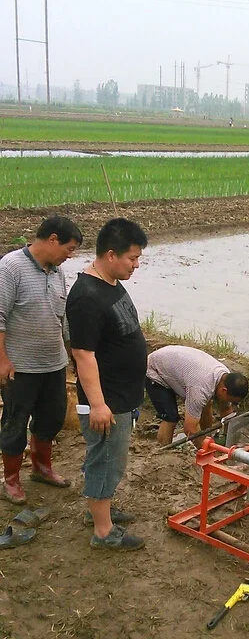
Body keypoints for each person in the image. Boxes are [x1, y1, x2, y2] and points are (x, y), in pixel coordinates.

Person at [67, 218, 148, 551]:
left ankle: (100, 511)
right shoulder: (87, 296)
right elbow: (83, 355)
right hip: (106, 400)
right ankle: (102, 532)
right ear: (111, 254)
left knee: (110, 459)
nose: (136, 264)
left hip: (121, 395)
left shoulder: (109, 283)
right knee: (105, 460)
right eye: (132, 258)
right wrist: (99, 404)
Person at [0, 216, 83, 504]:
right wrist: (2, 360)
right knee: (15, 422)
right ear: (52, 240)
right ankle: (10, 480)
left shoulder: (57, 271)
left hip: (53, 363)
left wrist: (73, 355)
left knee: (51, 418)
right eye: (69, 248)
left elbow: (64, 319)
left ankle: (41, 468)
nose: (69, 255)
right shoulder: (11, 267)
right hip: (20, 367)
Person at [145, 345, 249, 446]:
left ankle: (207, 436)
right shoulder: (200, 389)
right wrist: (206, 451)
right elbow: (189, 429)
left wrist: (228, 439)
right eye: (232, 401)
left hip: (175, 362)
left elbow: (226, 410)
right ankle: (164, 451)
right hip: (155, 369)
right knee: (170, 416)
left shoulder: (225, 376)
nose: (233, 405)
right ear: (224, 390)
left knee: (207, 403)